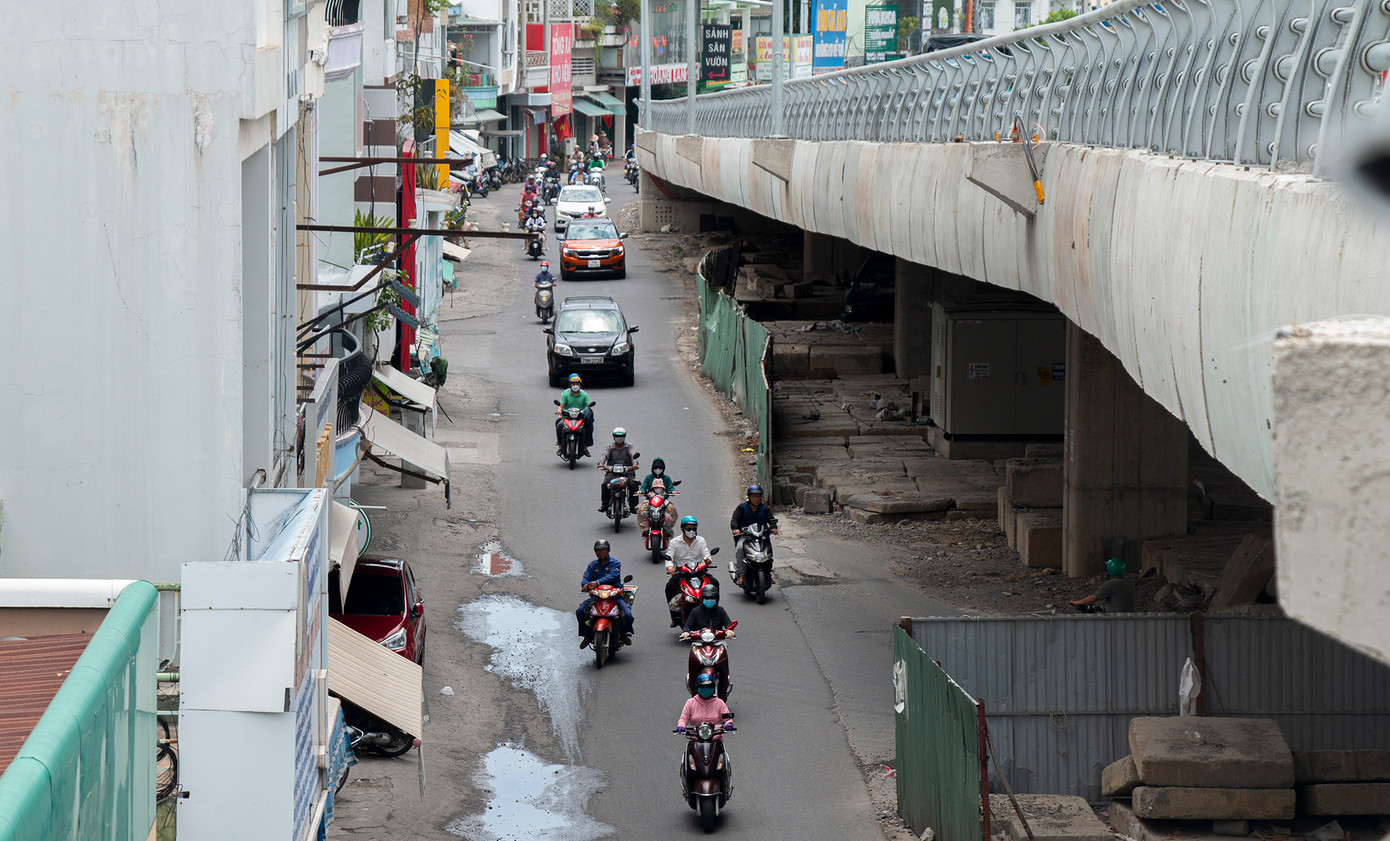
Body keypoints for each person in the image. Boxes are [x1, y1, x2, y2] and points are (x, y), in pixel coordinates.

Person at [576, 540, 632, 647]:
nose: (600, 552)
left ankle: (624, 634)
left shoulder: (616, 563)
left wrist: (597, 582)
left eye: (603, 550)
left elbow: (612, 576)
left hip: (614, 596)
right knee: (581, 611)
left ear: (608, 550)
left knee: (628, 615)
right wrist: (585, 585)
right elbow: (586, 578)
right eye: (598, 550)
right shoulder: (592, 565)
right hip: (597, 597)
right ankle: (586, 635)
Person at [665, 515, 715, 626]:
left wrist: (708, 560)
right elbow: (669, 557)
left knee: (715, 583)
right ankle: (675, 616)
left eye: (694, 528)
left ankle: (714, 610)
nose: (691, 531)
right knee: (669, 587)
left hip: (699, 572)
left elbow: (706, 554)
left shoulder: (700, 541)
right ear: (683, 529)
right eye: (689, 528)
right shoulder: (675, 542)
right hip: (682, 574)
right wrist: (670, 567)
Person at [729, 484, 778, 586]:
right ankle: (741, 574)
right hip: (745, 536)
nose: (756, 499)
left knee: (768, 548)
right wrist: (736, 529)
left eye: (758, 496)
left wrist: (773, 527)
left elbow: (771, 519)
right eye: (754, 496)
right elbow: (735, 520)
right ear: (749, 497)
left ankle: (768, 573)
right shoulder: (742, 508)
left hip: (761, 535)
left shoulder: (764, 509)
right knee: (739, 548)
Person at [1071, 558, 1136, 613]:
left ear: (1110, 571)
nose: (1106, 573)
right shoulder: (1128, 583)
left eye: (1107, 571)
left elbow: (1093, 598)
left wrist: (1077, 603)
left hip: (1116, 620)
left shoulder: (1112, 583)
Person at [598, 427, 638, 514]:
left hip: (627, 472)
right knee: (605, 484)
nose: (619, 438)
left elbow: (633, 455)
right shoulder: (610, 447)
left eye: (621, 436)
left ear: (624, 436)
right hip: (612, 472)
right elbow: (605, 455)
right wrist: (601, 463)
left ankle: (633, 506)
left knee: (633, 485)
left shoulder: (629, 446)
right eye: (617, 436)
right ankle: (604, 504)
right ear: (613, 437)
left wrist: (634, 465)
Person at [637, 456, 679, 533]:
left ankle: (667, 528)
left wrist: (673, 491)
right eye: (656, 468)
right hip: (650, 501)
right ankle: (645, 529)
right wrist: (641, 491)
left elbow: (670, 487)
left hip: (663, 501)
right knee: (640, 509)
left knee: (672, 509)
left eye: (660, 468)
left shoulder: (667, 478)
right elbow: (643, 486)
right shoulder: (648, 477)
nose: (658, 470)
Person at [555, 373, 593, 456]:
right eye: (573, 384)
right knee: (559, 425)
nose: (575, 385)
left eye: (577, 384)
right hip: (567, 416)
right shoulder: (566, 394)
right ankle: (560, 447)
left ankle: (585, 448)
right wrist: (559, 410)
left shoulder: (584, 395)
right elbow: (561, 405)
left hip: (580, 417)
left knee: (589, 427)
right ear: (570, 385)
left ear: (580, 385)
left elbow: (588, 405)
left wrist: (589, 409)